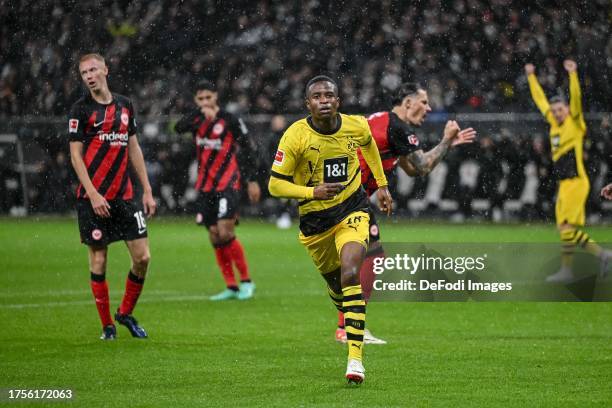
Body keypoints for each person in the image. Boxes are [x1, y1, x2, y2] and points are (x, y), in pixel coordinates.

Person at [268, 75, 392, 384]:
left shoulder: (356, 126)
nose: (324, 100)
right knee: (338, 289)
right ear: (307, 104)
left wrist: (383, 185)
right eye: (317, 96)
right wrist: (312, 193)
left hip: (352, 209)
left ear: (338, 101)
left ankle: (355, 360)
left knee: (352, 270)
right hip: (315, 224)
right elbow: (274, 184)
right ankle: (344, 309)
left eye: (329, 95)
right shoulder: (295, 136)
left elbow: (370, 146)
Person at [335, 82, 476, 344]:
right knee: (369, 256)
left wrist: (446, 146)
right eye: (424, 102)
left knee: (367, 255)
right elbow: (421, 166)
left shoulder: (383, 123)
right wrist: (446, 140)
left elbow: (411, 169)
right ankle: (350, 327)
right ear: (408, 103)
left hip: (347, 195)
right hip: (350, 198)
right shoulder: (398, 127)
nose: (429, 108)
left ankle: (347, 326)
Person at [68, 53, 156, 340]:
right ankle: (107, 326)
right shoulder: (80, 111)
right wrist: (93, 194)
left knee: (143, 257)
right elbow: (76, 156)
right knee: (99, 260)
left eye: (93, 69)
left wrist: (147, 190)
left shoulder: (124, 105)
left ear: (106, 69)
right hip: (92, 199)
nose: (89, 76)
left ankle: (125, 313)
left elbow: (134, 148)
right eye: (84, 73)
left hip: (125, 196)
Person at [525, 59, 610, 281]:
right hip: (564, 184)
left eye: (560, 109)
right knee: (564, 229)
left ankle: (582, 264)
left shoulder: (575, 123)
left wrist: (573, 75)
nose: (557, 113)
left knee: (567, 227)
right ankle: (594, 259)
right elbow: (540, 100)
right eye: (554, 111)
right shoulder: (554, 124)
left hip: (576, 182)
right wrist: (531, 77)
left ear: (567, 109)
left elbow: (577, 100)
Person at [175, 80, 261, 300]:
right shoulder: (196, 119)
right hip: (205, 186)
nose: (205, 102)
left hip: (228, 184)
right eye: (200, 99)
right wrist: (198, 113)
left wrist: (251, 180)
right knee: (214, 235)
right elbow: (178, 128)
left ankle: (247, 282)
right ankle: (231, 286)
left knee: (225, 231)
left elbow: (250, 147)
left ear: (216, 96)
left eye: (208, 98)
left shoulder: (230, 120)